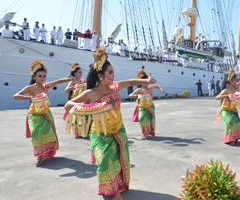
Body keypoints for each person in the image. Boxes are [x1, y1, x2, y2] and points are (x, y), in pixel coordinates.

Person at [64, 47, 158, 200]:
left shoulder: (114, 87)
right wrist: (88, 107)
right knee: (105, 162)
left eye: (113, 72)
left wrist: (145, 81)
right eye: (110, 72)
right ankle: (113, 193)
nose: (113, 75)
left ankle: (112, 188)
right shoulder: (90, 93)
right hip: (100, 134)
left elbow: (129, 82)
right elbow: (68, 104)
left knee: (118, 163)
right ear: (100, 76)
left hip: (118, 131)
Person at [13, 59, 74, 166]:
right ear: (34, 76)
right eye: (40, 76)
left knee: (47, 133)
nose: (42, 78)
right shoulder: (30, 88)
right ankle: (38, 156)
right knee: (36, 133)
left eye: (44, 76)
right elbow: (16, 96)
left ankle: (44, 154)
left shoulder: (45, 86)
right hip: (34, 115)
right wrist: (29, 98)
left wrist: (69, 79)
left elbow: (58, 82)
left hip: (46, 114)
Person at [215, 69, 240, 145]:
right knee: (229, 121)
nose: (236, 81)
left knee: (237, 121)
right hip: (225, 110)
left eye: (236, 80)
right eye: (235, 80)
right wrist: (227, 95)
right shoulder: (226, 90)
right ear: (230, 81)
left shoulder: (236, 86)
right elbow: (217, 97)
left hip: (232, 109)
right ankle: (228, 139)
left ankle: (234, 138)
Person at [129, 70, 165, 139]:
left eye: (147, 80)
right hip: (143, 107)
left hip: (150, 106)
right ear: (141, 82)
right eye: (145, 81)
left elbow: (157, 86)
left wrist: (161, 90)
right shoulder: (140, 90)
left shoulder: (150, 88)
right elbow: (130, 95)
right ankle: (143, 134)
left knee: (149, 120)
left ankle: (147, 134)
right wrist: (139, 96)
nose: (147, 82)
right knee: (143, 119)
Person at [64, 62, 86, 138]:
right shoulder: (73, 81)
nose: (81, 74)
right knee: (76, 117)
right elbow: (66, 90)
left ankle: (84, 131)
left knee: (84, 117)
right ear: (75, 73)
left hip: (83, 101)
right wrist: (74, 86)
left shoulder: (83, 81)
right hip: (75, 101)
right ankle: (77, 133)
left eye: (81, 72)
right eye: (79, 72)